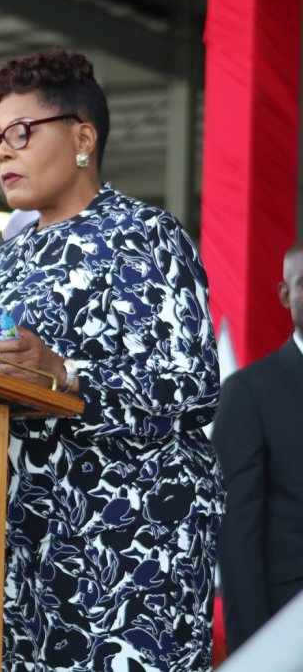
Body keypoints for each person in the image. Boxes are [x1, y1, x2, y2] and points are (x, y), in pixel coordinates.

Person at [0, 49, 222, 669]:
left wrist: (65, 376)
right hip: (21, 565)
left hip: (124, 565)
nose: (2, 153)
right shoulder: (1, 262)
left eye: (20, 134)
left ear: (82, 137)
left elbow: (188, 387)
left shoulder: (143, 237)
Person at [212, 241, 303, 653]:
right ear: (286, 294)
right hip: (288, 627)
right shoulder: (249, 393)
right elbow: (238, 536)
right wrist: (256, 653)